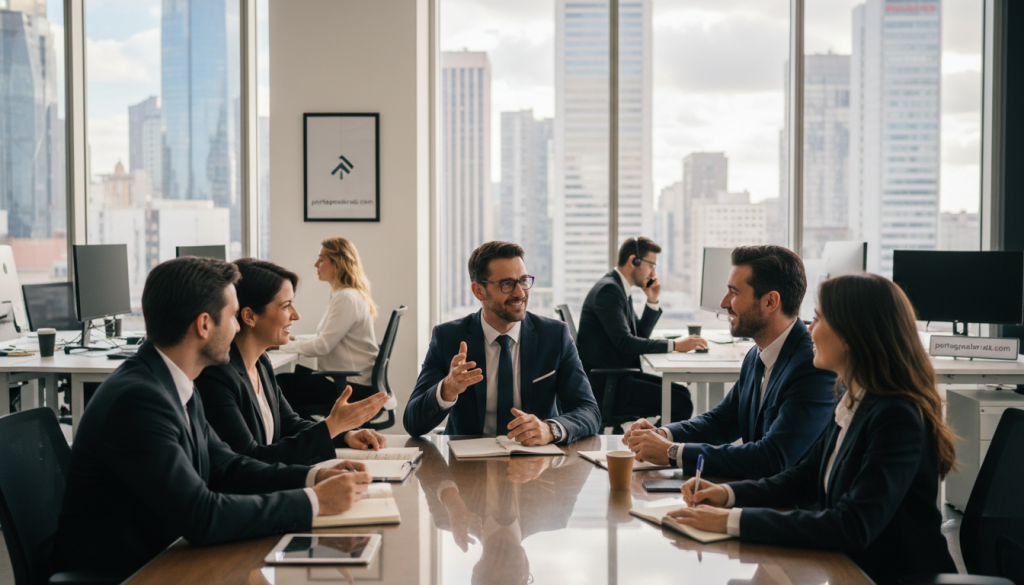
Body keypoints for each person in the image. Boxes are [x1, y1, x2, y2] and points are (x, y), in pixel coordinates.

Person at [52, 257, 372, 579]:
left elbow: (229, 467)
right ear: (204, 325)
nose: (236, 327)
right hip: (128, 572)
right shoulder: (138, 400)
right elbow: (201, 516)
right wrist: (312, 502)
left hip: (168, 557)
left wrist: (313, 478)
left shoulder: (175, 383)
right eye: (233, 316)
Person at [666, 274, 958, 585]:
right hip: (844, 569)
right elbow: (803, 478)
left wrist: (730, 521)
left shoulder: (897, 416)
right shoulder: (853, 399)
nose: (808, 329)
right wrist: (726, 494)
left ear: (851, 335)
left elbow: (851, 525)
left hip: (890, 577)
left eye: (818, 319)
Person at [623, 245, 836, 479]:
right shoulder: (757, 353)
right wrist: (663, 435)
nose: (724, 302)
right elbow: (722, 421)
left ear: (770, 302)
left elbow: (773, 457)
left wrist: (673, 453)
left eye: (734, 292)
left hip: (790, 507)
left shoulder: (813, 367)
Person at [196, 258, 390, 465]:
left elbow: (290, 423)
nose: (295, 315)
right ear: (249, 316)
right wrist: (331, 428)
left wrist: (344, 435)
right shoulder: (217, 376)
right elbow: (251, 460)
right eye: (286, 305)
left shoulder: (261, 362)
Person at [405, 241, 601, 443]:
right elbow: (413, 424)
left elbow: (589, 411)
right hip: (466, 464)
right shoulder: (448, 338)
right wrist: (447, 389)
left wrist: (551, 429)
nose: (520, 293)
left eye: (523, 280)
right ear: (479, 291)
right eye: (506, 284)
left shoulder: (554, 335)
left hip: (536, 460)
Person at [577, 236, 705, 423]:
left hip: (619, 377)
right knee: (680, 402)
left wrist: (652, 300)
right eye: (651, 265)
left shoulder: (619, 288)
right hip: (608, 386)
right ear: (633, 261)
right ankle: (652, 445)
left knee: (682, 394)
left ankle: (654, 443)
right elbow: (625, 343)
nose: (653, 272)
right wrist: (676, 345)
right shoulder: (609, 291)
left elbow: (638, 336)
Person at [277, 237, 381, 412]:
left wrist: (281, 345)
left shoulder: (346, 298)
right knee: (288, 381)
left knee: (280, 385)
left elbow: (322, 346)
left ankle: (300, 436)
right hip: (348, 381)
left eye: (321, 259)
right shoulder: (346, 294)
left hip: (349, 387)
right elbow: (325, 338)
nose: (316, 265)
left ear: (338, 263)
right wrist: (293, 338)